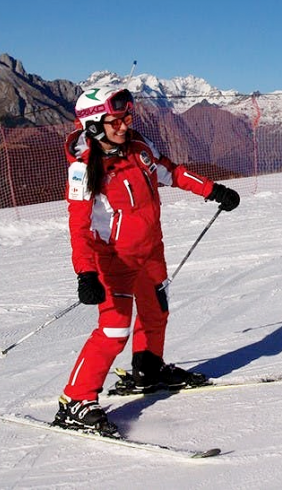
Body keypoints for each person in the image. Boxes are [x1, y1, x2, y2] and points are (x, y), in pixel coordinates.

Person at [54, 86, 241, 435]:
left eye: (127, 118)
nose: (124, 126)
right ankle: (76, 401)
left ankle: (148, 369)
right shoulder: (83, 170)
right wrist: (86, 273)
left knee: (156, 312)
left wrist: (213, 189)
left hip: (151, 251)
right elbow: (78, 228)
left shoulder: (139, 148)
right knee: (113, 330)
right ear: (93, 125)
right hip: (116, 262)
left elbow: (172, 173)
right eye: (115, 121)